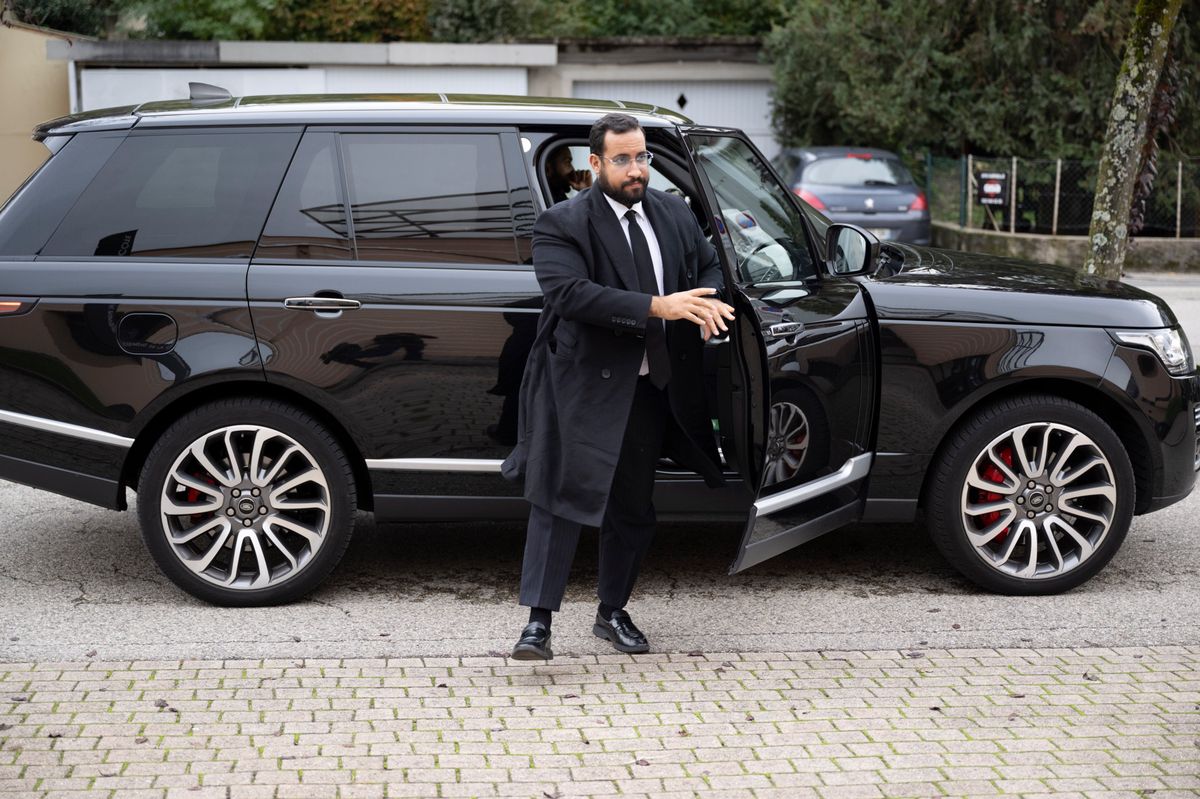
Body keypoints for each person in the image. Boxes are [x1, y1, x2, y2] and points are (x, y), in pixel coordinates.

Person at [501, 113, 736, 661]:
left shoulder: (672, 212)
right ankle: (538, 624)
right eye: (624, 159)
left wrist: (709, 304)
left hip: (650, 386)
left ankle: (612, 611)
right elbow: (570, 295)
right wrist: (660, 307)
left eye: (643, 157)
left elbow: (707, 266)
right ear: (596, 162)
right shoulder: (562, 222)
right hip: (581, 385)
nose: (637, 170)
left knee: (633, 506)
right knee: (558, 499)